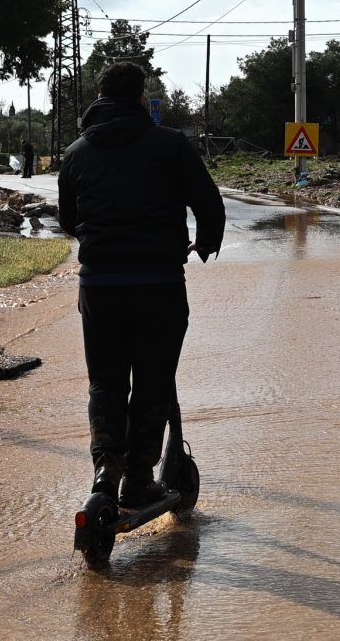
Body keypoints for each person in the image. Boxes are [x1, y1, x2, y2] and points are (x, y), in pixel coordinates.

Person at [57, 62, 225, 509]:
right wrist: (204, 243)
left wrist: (103, 245)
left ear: (99, 98)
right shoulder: (171, 145)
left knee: (106, 384)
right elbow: (209, 203)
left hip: (99, 288)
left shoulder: (75, 153)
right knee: (153, 380)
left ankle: (104, 470)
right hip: (159, 285)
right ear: (139, 99)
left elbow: (69, 221)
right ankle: (138, 477)